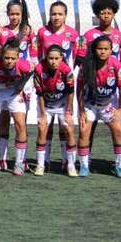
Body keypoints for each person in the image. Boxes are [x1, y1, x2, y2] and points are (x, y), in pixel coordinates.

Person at [76, 35, 121, 177]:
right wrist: (81, 111)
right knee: (84, 130)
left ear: (111, 50)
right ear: (94, 50)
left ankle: (119, 166)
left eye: (106, 49)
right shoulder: (85, 66)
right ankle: (84, 165)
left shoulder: (117, 65)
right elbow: (79, 89)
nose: (103, 52)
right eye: (100, 49)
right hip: (89, 105)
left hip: (108, 104)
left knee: (119, 130)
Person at [0, 39, 33, 175]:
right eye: (6, 58)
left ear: (18, 58)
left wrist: (20, 87)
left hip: (13, 93)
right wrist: (2, 86)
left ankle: (19, 163)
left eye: (12, 58)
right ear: (1, 56)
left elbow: (32, 70)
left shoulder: (24, 65)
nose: (9, 61)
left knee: (20, 124)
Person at [34, 45, 77, 177]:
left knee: (68, 129)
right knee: (43, 129)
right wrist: (42, 115)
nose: (53, 61)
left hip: (63, 104)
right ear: (46, 58)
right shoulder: (39, 69)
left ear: (61, 58)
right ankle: (42, 164)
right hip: (46, 104)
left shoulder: (66, 70)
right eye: (50, 58)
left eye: (56, 58)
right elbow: (39, 94)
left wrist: (68, 112)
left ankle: (69, 164)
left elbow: (70, 92)